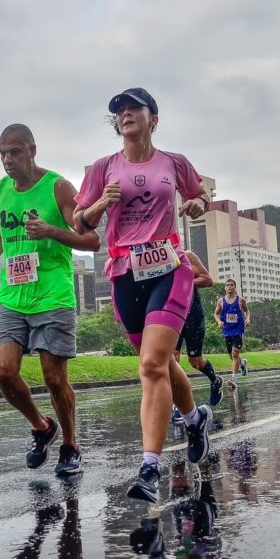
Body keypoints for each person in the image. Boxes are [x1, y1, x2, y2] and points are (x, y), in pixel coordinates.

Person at [74, 87, 213, 503]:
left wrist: (196, 205)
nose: (127, 114)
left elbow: (201, 194)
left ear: (153, 118)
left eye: (135, 108)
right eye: (120, 111)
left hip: (170, 269)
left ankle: (149, 468)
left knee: (152, 364)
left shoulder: (174, 163)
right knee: (162, 365)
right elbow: (81, 222)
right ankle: (193, 419)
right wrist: (99, 204)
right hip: (124, 276)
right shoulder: (102, 169)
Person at [0, 124, 100, 477]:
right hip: (11, 296)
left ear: (32, 150)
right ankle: (42, 426)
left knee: (53, 378)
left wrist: (50, 231)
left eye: (14, 152)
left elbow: (91, 240)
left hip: (52, 294)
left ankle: (71, 445)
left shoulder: (58, 187)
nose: (7, 160)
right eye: (2, 153)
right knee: (2, 371)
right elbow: (3, 227)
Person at [173, 251, 223, 409]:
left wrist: (184, 282)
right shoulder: (154, 258)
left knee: (195, 361)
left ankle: (215, 381)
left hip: (192, 315)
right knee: (171, 360)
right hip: (171, 314)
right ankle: (180, 405)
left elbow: (207, 280)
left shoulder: (186, 255)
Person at [214, 279, 251, 389]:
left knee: (234, 354)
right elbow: (215, 313)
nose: (229, 287)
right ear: (225, 288)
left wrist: (248, 319)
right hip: (227, 331)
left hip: (238, 330)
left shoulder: (240, 300)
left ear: (235, 287)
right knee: (232, 356)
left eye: (231, 285)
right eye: (227, 285)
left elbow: (247, 311)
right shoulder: (221, 301)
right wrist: (219, 321)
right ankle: (242, 363)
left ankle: (234, 379)